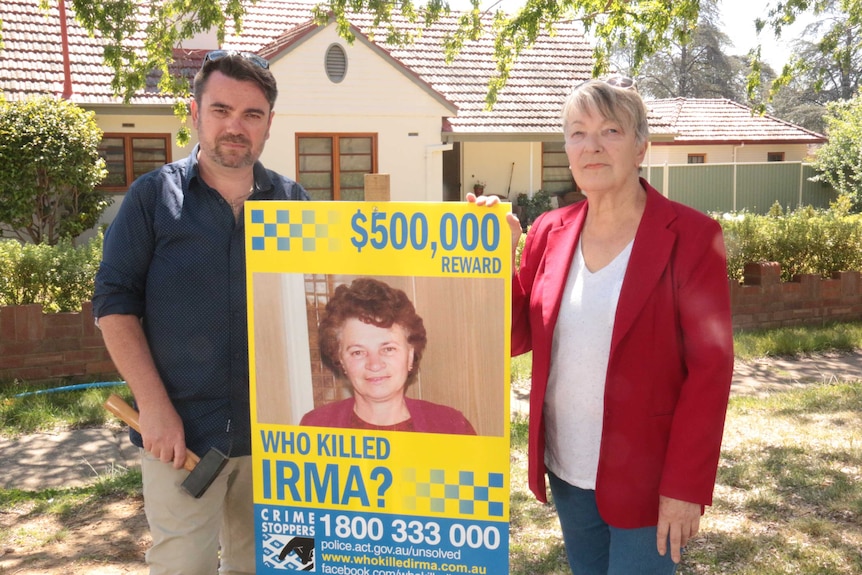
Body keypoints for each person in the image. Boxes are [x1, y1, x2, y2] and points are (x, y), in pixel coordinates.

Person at [478, 78, 734, 573]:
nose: (591, 146)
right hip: (568, 467)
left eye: (610, 130)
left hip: (649, 480)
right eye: (577, 133)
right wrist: (496, 256)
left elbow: (711, 371)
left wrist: (683, 488)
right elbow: (515, 336)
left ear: (641, 147)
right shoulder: (550, 233)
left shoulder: (693, 237)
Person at [92, 50, 309, 575]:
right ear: (195, 113)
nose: (235, 127)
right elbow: (114, 305)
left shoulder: (295, 204)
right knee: (182, 566)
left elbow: (342, 296)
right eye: (221, 110)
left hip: (277, 441)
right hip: (179, 436)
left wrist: (473, 235)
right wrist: (154, 409)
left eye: (252, 114)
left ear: (270, 125)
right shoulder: (152, 199)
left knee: (267, 567)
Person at [300, 277, 477, 435]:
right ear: (341, 361)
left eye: (388, 349)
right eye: (358, 352)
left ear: (410, 355)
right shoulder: (316, 428)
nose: (375, 365)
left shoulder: (452, 429)